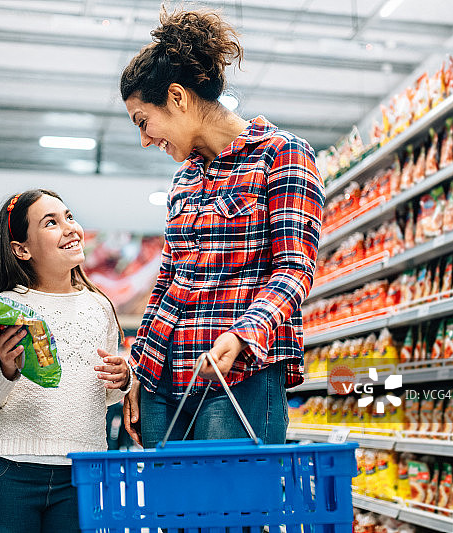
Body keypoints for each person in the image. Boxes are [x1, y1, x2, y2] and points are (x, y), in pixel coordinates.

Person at [120, 8, 325, 449]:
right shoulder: (184, 178)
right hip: (161, 382)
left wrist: (242, 333)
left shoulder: (280, 154)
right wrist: (137, 368)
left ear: (177, 97)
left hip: (237, 374)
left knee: (231, 495)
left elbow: (294, 269)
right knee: (165, 497)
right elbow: (167, 281)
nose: (144, 139)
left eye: (143, 121)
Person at [0, 189, 130, 533]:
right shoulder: (3, 308)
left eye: (69, 217)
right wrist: (4, 368)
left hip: (82, 472)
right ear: (21, 249)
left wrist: (122, 379)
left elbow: (103, 396)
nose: (69, 228)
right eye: (50, 223)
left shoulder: (99, 307)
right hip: (10, 472)